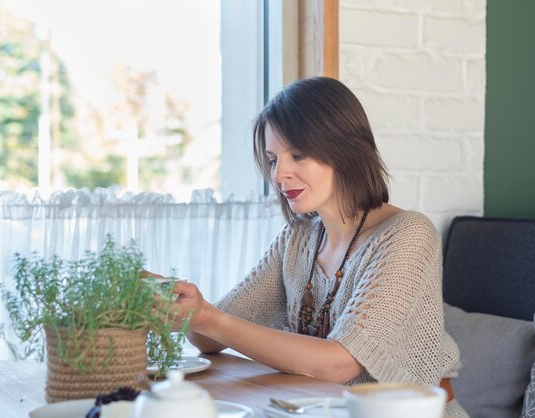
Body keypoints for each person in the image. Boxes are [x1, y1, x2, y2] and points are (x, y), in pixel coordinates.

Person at [168, 77, 468, 417]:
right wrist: (189, 308)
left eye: (298, 154)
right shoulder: (297, 240)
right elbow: (207, 339)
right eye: (272, 160)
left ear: (344, 150)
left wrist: (209, 317)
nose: (280, 175)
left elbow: (340, 364)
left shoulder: (408, 234)